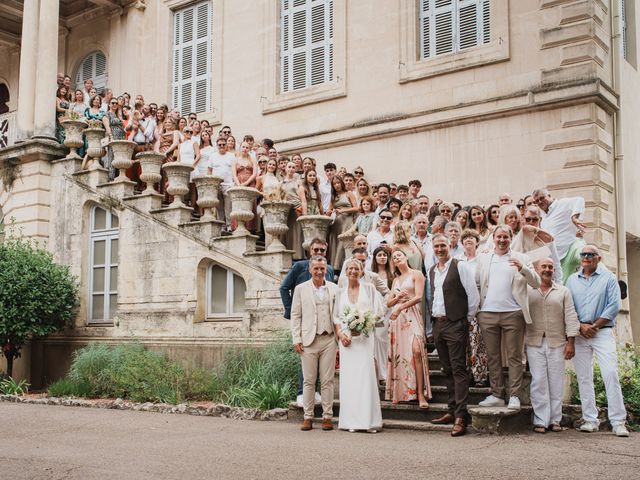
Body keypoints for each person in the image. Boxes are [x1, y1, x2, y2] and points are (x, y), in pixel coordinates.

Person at [565, 245, 629, 437]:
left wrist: (595, 326)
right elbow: (568, 307)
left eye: (590, 254)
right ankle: (590, 419)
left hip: (601, 332)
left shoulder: (608, 278)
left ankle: (618, 422)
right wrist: (581, 326)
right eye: (583, 254)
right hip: (580, 332)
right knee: (584, 377)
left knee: (610, 373)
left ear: (598, 258)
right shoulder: (571, 280)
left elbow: (614, 305)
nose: (586, 257)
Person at [476, 225, 540, 410]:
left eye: (506, 237)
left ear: (511, 238)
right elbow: (477, 283)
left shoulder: (522, 258)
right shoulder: (484, 258)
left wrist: (523, 269)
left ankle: (514, 395)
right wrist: (479, 309)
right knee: (493, 356)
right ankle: (496, 394)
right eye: (499, 237)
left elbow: (535, 283)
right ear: (493, 238)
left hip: (513, 313)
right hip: (488, 313)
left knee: (514, 356)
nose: (502, 240)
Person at [428, 234, 479, 436]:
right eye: (436, 246)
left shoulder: (460, 266)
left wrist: (465, 319)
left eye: (443, 245)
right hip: (438, 324)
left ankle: (461, 416)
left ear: (450, 245)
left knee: (458, 369)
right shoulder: (432, 270)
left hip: (456, 323)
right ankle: (451, 410)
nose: (439, 249)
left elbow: (473, 296)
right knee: (447, 369)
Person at [526, 258, 579, 433]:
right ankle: (541, 420)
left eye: (550, 267)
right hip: (534, 342)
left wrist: (571, 342)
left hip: (557, 342)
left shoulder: (563, 291)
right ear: (536, 269)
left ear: (554, 270)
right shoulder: (528, 290)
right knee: (539, 381)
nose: (547, 269)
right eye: (544, 266)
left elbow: (570, 316)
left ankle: (555, 420)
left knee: (556, 381)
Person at [334, 258, 384, 433]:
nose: (353, 271)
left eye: (356, 268)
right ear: (346, 271)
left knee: (365, 378)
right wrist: (341, 335)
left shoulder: (369, 289)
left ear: (362, 271)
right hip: (347, 342)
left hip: (364, 340)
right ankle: (351, 421)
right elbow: (336, 318)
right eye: (350, 268)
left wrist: (363, 327)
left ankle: (368, 421)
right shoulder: (340, 292)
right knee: (349, 380)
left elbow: (377, 314)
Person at [290, 256, 339, 431]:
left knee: (327, 381)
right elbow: (296, 315)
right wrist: (296, 338)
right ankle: (308, 416)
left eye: (322, 268)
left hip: (329, 339)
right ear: (310, 270)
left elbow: (339, 313)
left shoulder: (334, 288)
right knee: (309, 381)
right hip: (308, 340)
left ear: (326, 269)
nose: (319, 271)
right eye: (316, 268)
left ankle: (327, 417)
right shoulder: (301, 289)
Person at [386, 249, 431, 408]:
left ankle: (420, 394)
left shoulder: (417, 274)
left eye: (399, 255)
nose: (397, 257)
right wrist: (397, 299)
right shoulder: (395, 280)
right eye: (394, 257)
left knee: (417, 352)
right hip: (398, 320)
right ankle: (401, 392)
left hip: (412, 316)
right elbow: (389, 303)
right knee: (401, 354)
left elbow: (418, 297)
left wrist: (401, 306)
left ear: (406, 257)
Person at [533, 188, 586, 281]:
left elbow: (579, 200)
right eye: (537, 201)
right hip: (558, 257)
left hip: (571, 247)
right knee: (564, 283)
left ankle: (607, 278)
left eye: (542, 198)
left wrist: (574, 217)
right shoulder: (540, 215)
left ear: (549, 196)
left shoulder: (562, 203)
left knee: (588, 255)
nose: (540, 201)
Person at [460, 229, 489, 387]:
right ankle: (465, 375)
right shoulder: (458, 260)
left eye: (471, 237)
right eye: (465, 238)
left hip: (479, 306)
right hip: (461, 306)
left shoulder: (483, 259)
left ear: (477, 241)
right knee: (463, 342)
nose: (468, 240)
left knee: (477, 342)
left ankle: (479, 376)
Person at [371, 246, 393, 382]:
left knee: (384, 339)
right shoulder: (370, 274)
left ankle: (386, 373)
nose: (382, 257)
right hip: (374, 309)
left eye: (384, 255)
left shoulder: (392, 274)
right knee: (377, 339)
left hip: (388, 308)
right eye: (379, 255)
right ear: (374, 257)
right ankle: (378, 372)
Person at [327, 176, 358, 270]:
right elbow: (329, 210)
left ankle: (344, 267)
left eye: (338, 183)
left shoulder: (348, 193)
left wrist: (343, 210)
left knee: (343, 243)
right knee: (335, 244)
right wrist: (328, 213)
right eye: (334, 184)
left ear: (342, 183)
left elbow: (356, 208)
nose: (337, 185)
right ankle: (335, 268)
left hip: (347, 222)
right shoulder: (333, 197)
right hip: (336, 223)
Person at [282, 161, 305, 260]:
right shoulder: (281, 183)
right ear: (286, 168)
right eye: (289, 167)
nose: (291, 169)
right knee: (287, 233)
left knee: (297, 233)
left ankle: (298, 256)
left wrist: (304, 214)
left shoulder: (298, 182)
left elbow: (303, 199)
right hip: (286, 211)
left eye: (293, 167)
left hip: (296, 209)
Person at [156, 118, 180, 203]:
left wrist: (166, 152)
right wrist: (159, 153)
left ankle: (170, 199)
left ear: (173, 124)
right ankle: (162, 197)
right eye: (166, 122)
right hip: (161, 156)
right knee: (161, 176)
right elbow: (158, 145)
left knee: (168, 175)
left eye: (169, 122)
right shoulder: (162, 134)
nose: (167, 123)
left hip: (170, 154)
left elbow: (175, 143)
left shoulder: (175, 132)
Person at [176, 126, 200, 211]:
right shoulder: (180, 145)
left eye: (191, 132)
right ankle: (184, 206)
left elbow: (198, 156)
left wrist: (191, 165)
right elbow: (178, 158)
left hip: (191, 166)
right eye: (187, 131)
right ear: (183, 133)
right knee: (183, 187)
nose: (189, 133)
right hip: (182, 167)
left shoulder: (194, 142)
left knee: (192, 189)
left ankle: (192, 209)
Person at [102, 97, 126, 181]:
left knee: (118, 158)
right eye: (113, 103)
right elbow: (107, 127)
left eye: (116, 103)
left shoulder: (118, 115)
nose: (115, 104)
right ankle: (110, 178)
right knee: (111, 157)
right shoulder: (107, 114)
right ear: (109, 104)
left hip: (120, 138)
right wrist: (111, 136)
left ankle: (117, 177)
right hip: (113, 138)